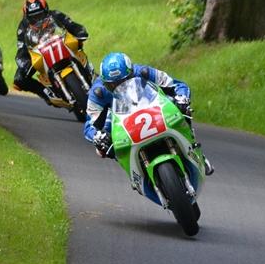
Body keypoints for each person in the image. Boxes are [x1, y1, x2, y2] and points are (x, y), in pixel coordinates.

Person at [83, 52, 213, 175]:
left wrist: (182, 98)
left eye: (124, 81)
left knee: (180, 106)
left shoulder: (144, 72)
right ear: (105, 83)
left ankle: (195, 149)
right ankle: (134, 171)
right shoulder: (98, 92)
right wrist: (97, 136)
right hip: (118, 116)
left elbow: (177, 85)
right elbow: (90, 124)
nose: (119, 87)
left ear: (131, 73)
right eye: (113, 85)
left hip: (149, 105)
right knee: (101, 148)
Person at [14, 0, 89, 104]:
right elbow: (21, 47)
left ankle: (88, 70)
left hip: (60, 43)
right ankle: (46, 93)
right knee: (19, 79)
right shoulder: (23, 27)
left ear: (46, 10)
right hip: (41, 51)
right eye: (34, 17)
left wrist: (79, 32)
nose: (38, 19)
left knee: (78, 43)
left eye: (40, 15)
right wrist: (24, 62)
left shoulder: (55, 14)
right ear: (27, 17)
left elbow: (70, 24)